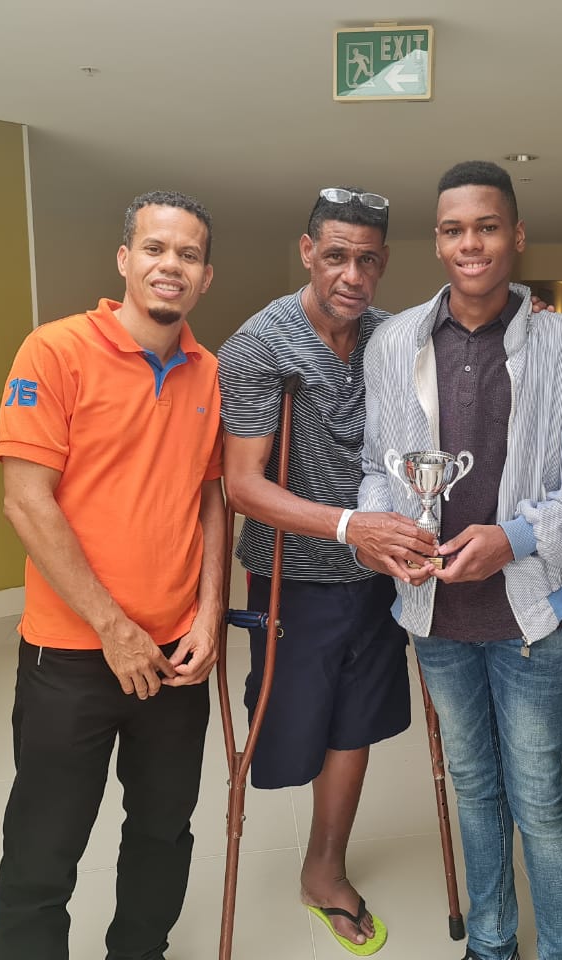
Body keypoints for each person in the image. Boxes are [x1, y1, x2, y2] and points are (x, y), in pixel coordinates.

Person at [358, 160, 562, 960]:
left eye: (486, 227)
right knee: (474, 787)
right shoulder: (396, 343)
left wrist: (514, 538)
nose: (469, 243)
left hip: (530, 614)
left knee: (539, 798)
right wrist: (386, 530)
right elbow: (377, 463)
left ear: (516, 235)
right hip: (435, 613)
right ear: (438, 241)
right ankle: (491, 943)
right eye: (453, 230)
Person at [0, 191, 224, 960]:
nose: (170, 265)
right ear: (125, 260)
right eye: (155, 248)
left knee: (163, 833)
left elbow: (211, 498)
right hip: (70, 657)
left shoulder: (208, 373)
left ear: (205, 277)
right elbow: (26, 501)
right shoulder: (54, 351)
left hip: (176, 660)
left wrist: (209, 614)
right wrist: (114, 627)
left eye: (188, 254)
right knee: (42, 851)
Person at [216, 187, 436, 956]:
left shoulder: (391, 337)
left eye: (368, 260)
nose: (352, 274)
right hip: (293, 578)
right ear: (308, 251)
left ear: (384, 263)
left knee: (357, 724)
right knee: (295, 730)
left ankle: (325, 868)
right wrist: (348, 528)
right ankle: (314, 860)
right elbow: (241, 485)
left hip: (376, 576)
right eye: (336, 255)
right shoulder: (258, 346)